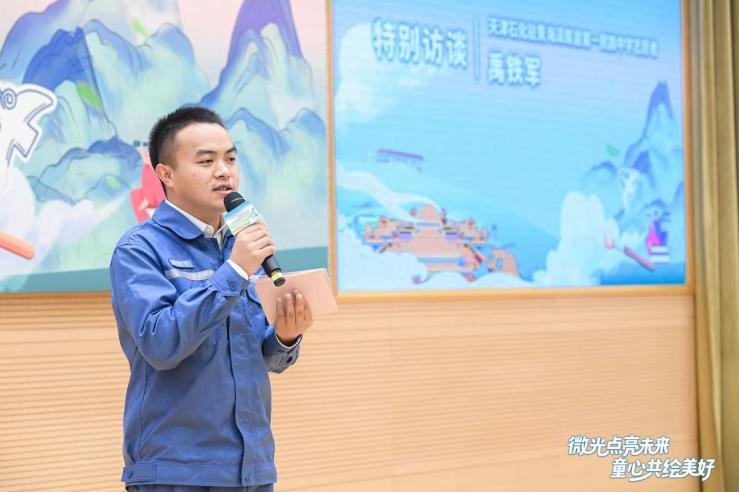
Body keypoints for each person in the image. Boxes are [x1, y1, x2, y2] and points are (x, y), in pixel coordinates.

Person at [110, 107, 312, 491]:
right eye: (206, 161)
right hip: (176, 472)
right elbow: (161, 344)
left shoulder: (242, 245)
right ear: (166, 174)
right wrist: (234, 271)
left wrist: (285, 336)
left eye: (230, 159)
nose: (224, 172)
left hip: (252, 468)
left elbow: (259, 357)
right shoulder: (139, 249)